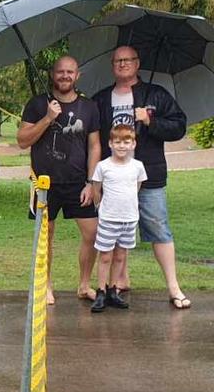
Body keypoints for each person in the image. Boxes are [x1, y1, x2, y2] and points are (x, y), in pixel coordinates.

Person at [90, 46, 190, 309]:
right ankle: (119, 281)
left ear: (138, 63)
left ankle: (174, 287)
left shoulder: (155, 95)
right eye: (118, 60)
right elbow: (93, 139)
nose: (123, 64)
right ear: (112, 65)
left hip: (148, 176)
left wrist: (150, 121)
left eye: (128, 60)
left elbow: (179, 126)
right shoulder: (100, 99)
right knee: (116, 233)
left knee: (159, 228)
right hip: (112, 180)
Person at [17, 55, 100, 304]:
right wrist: (48, 118)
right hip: (44, 184)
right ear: (53, 74)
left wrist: (92, 182)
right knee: (46, 237)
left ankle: (84, 285)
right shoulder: (37, 104)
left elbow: (94, 146)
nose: (65, 76)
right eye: (60, 71)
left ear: (77, 76)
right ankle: (47, 286)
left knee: (93, 233)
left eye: (70, 72)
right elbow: (22, 140)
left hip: (78, 182)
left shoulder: (89, 107)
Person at [90, 124, 147, 313]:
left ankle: (114, 290)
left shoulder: (137, 166)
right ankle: (101, 290)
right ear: (110, 143)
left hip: (129, 218)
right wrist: (102, 209)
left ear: (133, 144)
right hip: (108, 218)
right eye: (117, 142)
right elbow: (96, 191)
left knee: (121, 256)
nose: (122, 146)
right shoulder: (103, 166)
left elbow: (136, 188)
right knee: (105, 256)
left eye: (126, 142)